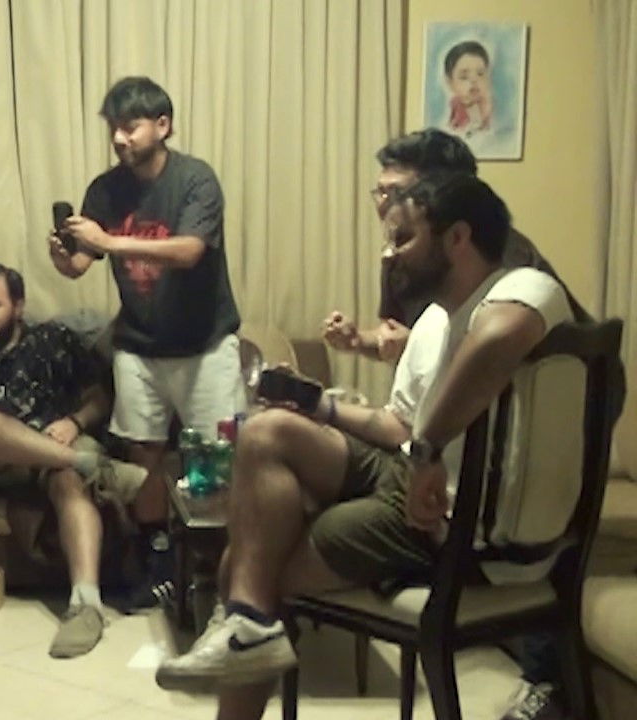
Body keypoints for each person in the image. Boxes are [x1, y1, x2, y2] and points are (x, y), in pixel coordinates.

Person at [158, 174, 578, 720]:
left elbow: (498, 339)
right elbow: (398, 425)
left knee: (248, 569)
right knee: (265, 431)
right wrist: (317, 406)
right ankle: (248, 623)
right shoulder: (435, 320)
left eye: (404, 239)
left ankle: (246, 624)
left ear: (457, 237)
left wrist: (427, 451)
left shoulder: (525, 286)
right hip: (406, 476)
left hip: (451, 524)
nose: (389, 254)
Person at [50, 76, 246, 612]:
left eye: (130, 126)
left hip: (205, 345)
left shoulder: (195, 179)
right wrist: (64, 256)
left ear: (162, 126)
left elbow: (188, 251)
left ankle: (217, 569)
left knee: (217, 457)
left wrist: (110, 240)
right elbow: (80, 263)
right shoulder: (105, 190)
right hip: (137, 345)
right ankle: (159, 562)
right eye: (113, 127)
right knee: (144, 456)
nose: (119, 137)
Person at [0, 261, 146, 659]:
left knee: (68, 481)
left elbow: (100, 399)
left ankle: (86, 605)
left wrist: (74, 422)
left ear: (19, 306)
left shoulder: (53, 339)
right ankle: (93, 467)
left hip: (56, 451)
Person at [323, 128, 587, 364]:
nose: (383, 204)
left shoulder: (501, 255)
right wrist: (359, 341)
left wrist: (419, 347)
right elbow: (394, 334)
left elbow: (500, 354)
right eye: (380, 192)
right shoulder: (399, 252)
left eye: (396, 193)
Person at [443, 40, 494, 140]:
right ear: (450, 83)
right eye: (464, 77)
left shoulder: (488, 104)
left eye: (480, 74)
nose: (474, 81)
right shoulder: (456, 106)